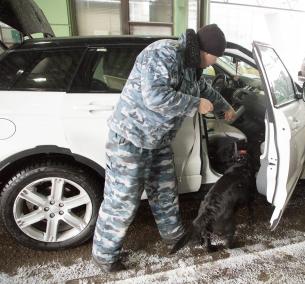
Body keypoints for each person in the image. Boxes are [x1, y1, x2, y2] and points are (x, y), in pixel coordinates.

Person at [91, 24, 236, 272]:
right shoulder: (164, 53)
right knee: (121, 202)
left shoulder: (193, 65)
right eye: (216, 56)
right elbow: (154, 96)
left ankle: (174, 236)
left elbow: (202, 89)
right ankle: (104, 256)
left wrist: (224, 106)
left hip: (157, 141)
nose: (214, 62)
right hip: (131, 139)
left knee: (165, 193)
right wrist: (195, 104)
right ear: (205, 49)